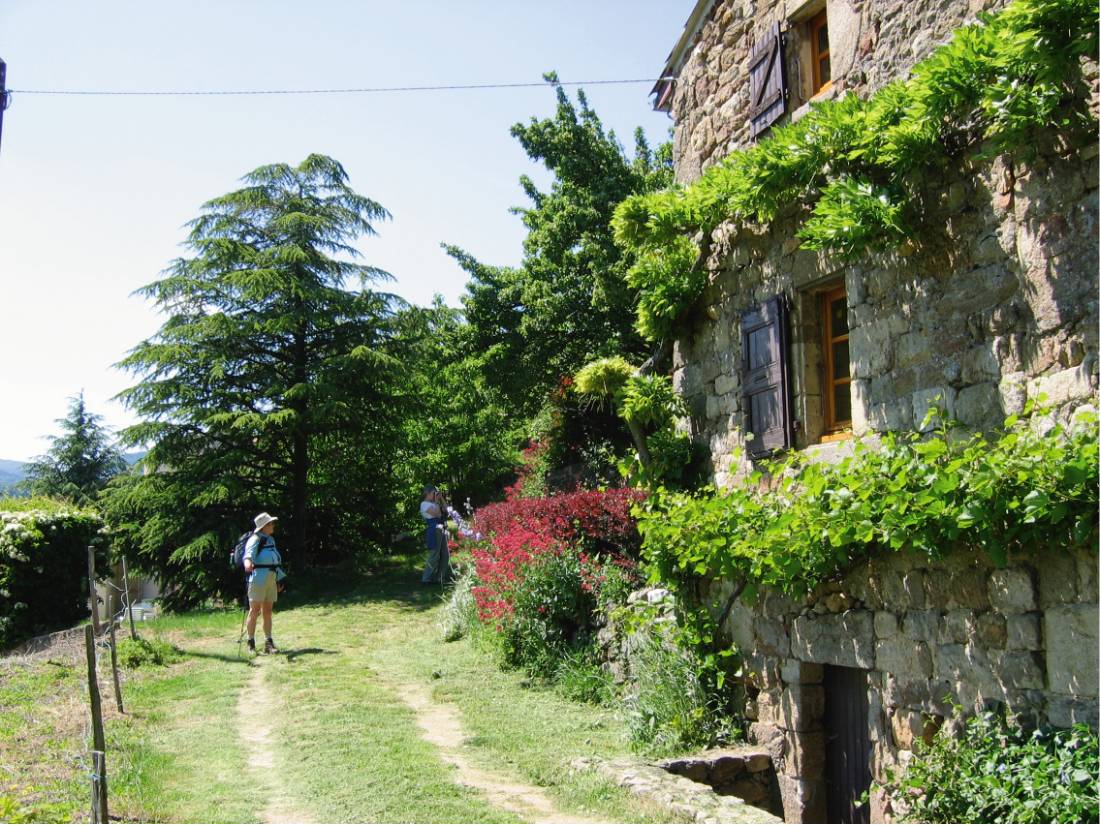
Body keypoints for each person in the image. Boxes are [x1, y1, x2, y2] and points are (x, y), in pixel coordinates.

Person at [244, 512, 286, 654]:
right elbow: (248, 556)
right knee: (254, 611)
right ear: (264, 526)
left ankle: (268, 643)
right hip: (258, 579)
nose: (273, 525)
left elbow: (275, 561)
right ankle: (250, 642)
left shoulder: (270, 540)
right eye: (271, 523)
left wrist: (279, 579)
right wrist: (248, 563)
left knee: (267, 611)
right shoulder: (255, 539)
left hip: (271, 579)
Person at [419, 485, 450, 584]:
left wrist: (441, 498)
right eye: (434, 493)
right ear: (427, 493)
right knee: (434, 555)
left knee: (445, 555)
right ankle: (426, 578)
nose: (435, 495)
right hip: (434, 529)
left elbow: (447, 510)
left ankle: (439, 577)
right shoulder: (424, 504)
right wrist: (437, 502)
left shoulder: (436, 502)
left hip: (441, 528)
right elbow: (437, 514)